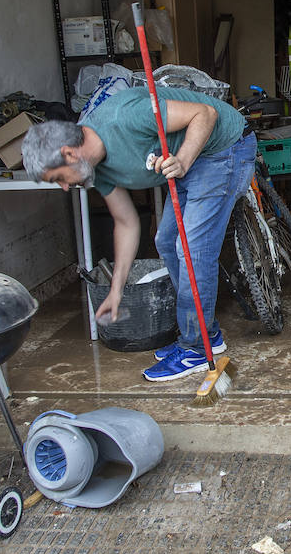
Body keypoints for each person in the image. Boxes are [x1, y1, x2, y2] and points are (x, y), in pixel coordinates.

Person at [21, 86, 256, 382]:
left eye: (58, 179)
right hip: (189, 163)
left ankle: (196, 346)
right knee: (166, 242)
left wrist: (182, 159)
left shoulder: (124, 118)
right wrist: (117, 290)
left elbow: (205, 113)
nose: (65, 188)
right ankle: (205, 334)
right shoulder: (95, 170)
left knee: (192, 249)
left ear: (68, 154)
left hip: (223, 148)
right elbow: (126, 222)